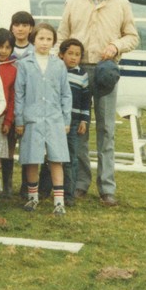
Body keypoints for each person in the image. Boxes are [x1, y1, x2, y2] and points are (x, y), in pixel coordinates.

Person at [56, 0, 138, 207]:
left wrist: (116, 45)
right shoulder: (73, 2)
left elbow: (133, 36)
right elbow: (62, 35)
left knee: (105, 129)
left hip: (105, 71)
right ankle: (80, 182)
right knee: (79, 128)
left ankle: (107, 187)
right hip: (77, 71)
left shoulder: (121, 3)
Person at [15, 23, 72, 215]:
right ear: (33, 40)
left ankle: (58, 201)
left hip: (54, 119)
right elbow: (19, 94)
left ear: (54, 42)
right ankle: (33, 197)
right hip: (32, 118)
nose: (45, 43)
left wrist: (66, 119)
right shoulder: (24, 64)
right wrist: (20, 120)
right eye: (41, 38)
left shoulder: (59, 64)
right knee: (32, 158)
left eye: (49, 39)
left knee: (56, 159)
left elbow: (65, 93)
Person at [58, 38, 91, 207]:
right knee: (52, 157)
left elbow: (86, 101)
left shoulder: (82, 76)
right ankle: (44, 189)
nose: (73, 57)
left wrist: (84, 120)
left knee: (71, 157)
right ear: (61, 54)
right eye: (70, 53)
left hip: (73, 122)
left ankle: (69, 195)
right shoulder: (56, 71)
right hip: (55, 121)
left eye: (77, 55)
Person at [0, 28, 17, 198]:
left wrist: (8, 120)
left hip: (0, 119)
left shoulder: (13, 69)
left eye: (7, 47)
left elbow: (12, 97)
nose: (3, 51)